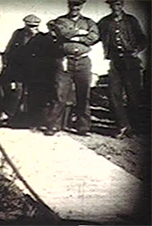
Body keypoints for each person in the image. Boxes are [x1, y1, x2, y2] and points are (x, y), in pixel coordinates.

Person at [98, 0, 147, 138]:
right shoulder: (105, 22)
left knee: (133, 96)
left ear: (122, 5)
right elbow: (94, 36)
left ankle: (134, 127)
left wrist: (136, 50)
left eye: (118, 4)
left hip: (131, 62)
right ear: (110, 6)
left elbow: (142, 39)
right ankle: (122, 126)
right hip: (115, 62)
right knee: (113, 94)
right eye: (113, 4)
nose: (116, 7)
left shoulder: (131, 20)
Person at [54, 0, 99, 135]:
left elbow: (94, 36)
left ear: (81, 6)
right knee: (60, 94)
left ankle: (83, 127)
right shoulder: (61, 20)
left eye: (78, 5)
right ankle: (55, 125)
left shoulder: (89, 22)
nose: (75, 8)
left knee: (83, 95)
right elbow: (62, 33)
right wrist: (80, 32)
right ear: (69, 5)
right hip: (65, 61)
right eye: (73, 5)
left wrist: (76, 37)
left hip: (83, 61)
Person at [2, 14, 44, 127]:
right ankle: (12, 118)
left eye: (35, 26)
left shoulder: (41, 37)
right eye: (30, 26)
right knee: (16, 94)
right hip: (18, 70)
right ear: (25, 25)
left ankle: (30, 120)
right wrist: (7, 64)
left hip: (34, 71)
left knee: (31, 95)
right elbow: (9, 49)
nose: (33, 28)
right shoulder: (18, 34)